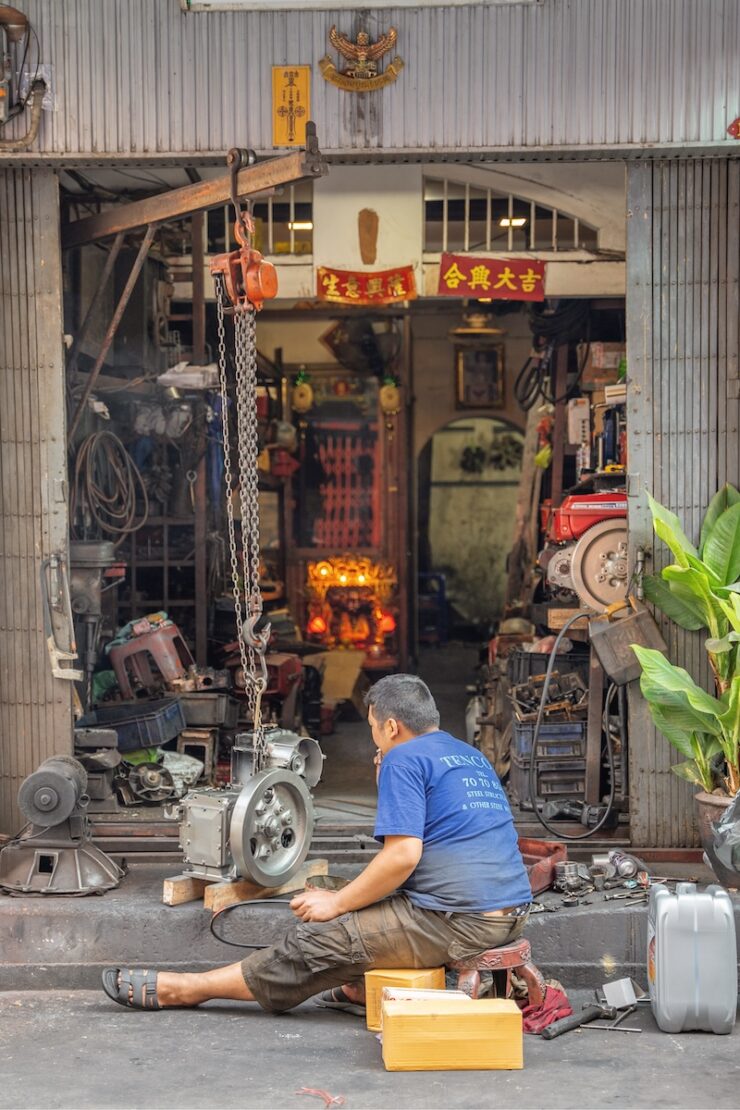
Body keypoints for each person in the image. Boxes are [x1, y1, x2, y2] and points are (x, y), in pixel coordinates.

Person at [102, 674, 532, 1013]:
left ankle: (188, 989)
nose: (374, 740)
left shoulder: (403, 756)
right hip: (507, 912)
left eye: (373, 730)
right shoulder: (466, 754)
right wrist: (338, 894)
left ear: (391, 725)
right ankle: (359, 987)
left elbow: (403, 856)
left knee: (315, 938)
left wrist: (339, 905)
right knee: (329, 886)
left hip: (460, 921)